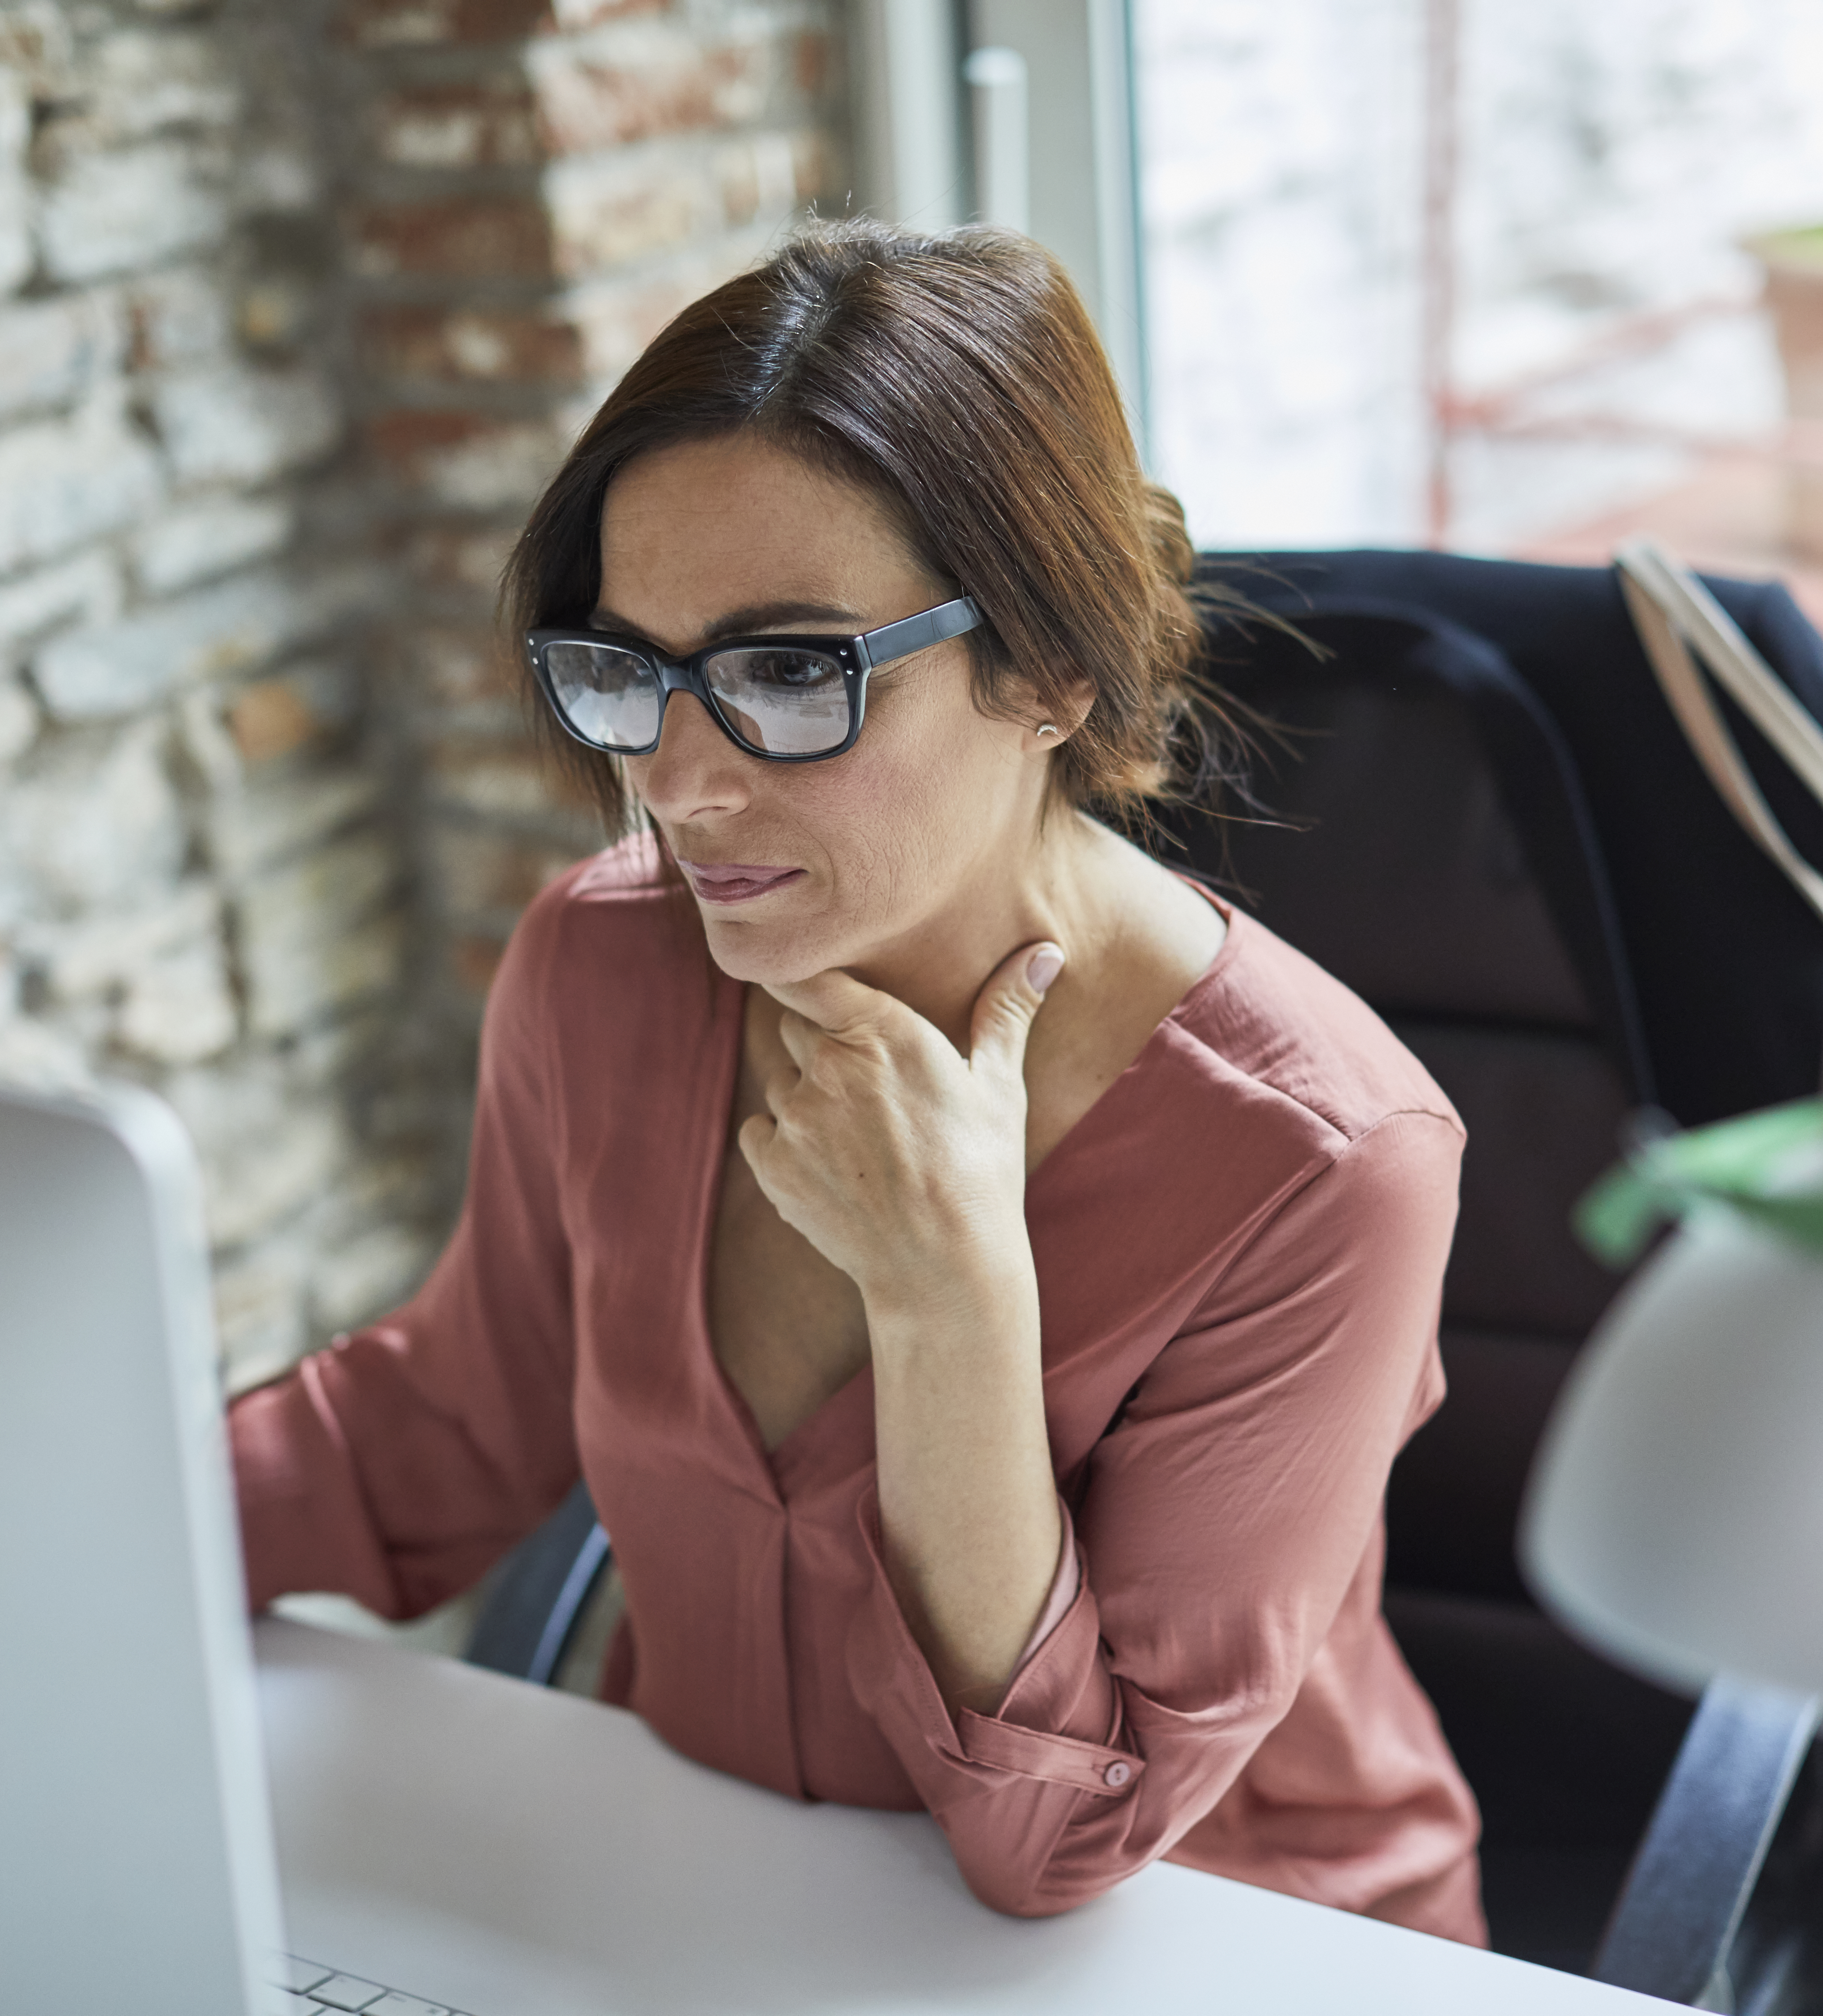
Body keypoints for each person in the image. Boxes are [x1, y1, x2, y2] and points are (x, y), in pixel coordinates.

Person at [229, 219, 1484, 1940]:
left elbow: (1061, 1847)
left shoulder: (1329, 1161)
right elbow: (453, 1428)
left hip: (1229, 1945)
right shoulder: (601, 969)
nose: (677, 783)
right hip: (717, 1910)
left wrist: (951, 1297)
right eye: (628, 671)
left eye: (784, 674)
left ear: (1048, 665)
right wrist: (53, 1518)